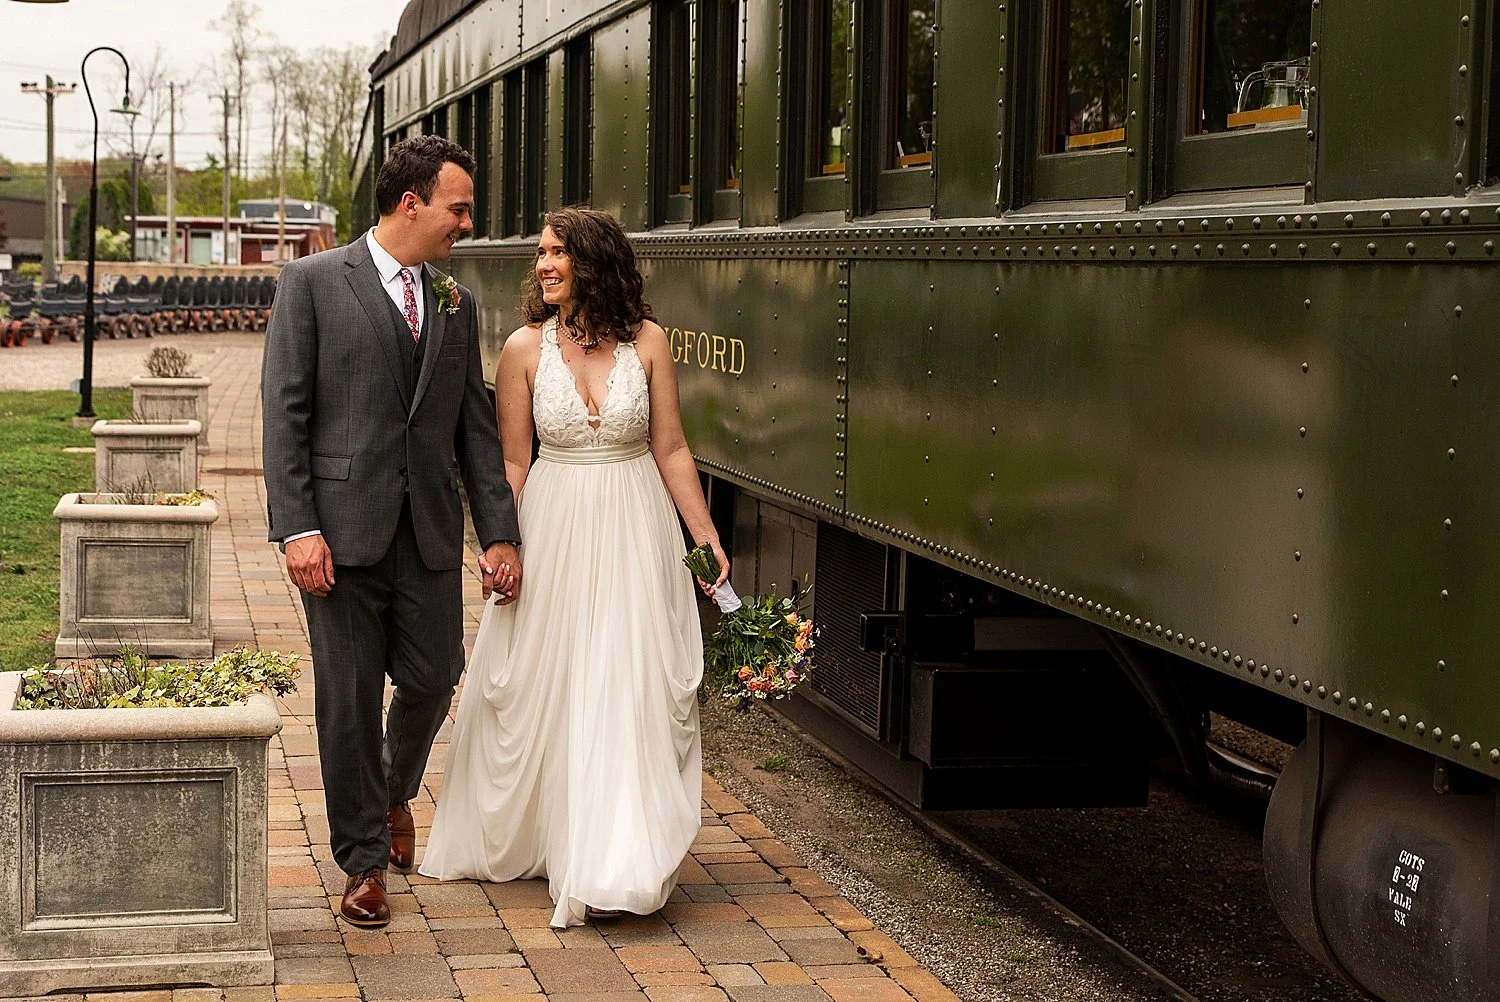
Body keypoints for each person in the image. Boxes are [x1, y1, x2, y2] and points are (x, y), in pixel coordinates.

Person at [420, 205, 730, 927]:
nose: (544, 265)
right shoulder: (523, 349)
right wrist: (503, 545)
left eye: (558, 252)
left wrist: (704, 537)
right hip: (554, 527)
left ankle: (611, 861)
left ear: (595, 261)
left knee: (625, 683)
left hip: (635, 526)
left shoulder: (648, 343)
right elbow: (513, 464)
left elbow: (672, 450)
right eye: (541, 253)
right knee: (551, 681)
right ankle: (556, 833)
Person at [261, 135, 523, 929]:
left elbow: (473, 432)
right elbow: (285, 414)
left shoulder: (455, 301)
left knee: (434, 677)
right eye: (459, 207)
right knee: (345, 700)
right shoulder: (310, 283)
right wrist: (297, 526)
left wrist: (500, 534)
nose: (467, 223)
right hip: (338, 536)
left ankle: (392, 788)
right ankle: (364, 863)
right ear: (411, 203)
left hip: (431, 536)